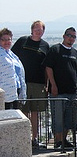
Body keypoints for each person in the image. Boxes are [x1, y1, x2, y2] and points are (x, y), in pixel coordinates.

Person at [11, 20, 49, 148]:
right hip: (23, 82)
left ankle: (35, 138)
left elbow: (47, 67)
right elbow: (12, 58)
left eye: (41, 29)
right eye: (36, 29)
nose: (38, 31)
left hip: (38, 83)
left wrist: (47, 84)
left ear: (43, 31)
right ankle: (25, 138)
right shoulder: (22, 41)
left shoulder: (45, 46)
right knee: (23, 111)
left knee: (35, 112)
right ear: (32, 30)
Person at [43, 27, 77, 149]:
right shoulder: (55, 49)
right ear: (64, 36)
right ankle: (58, 141)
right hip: (57, 92)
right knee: (57, 118)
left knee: (69, 119)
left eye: (73, 36)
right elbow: (48, 68)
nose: (71, 38)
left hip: (71, 92)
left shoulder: (75, 53)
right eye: (69, 35)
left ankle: (63, 141)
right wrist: (53, 85)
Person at [0, 28, 26, 110]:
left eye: (9, 39)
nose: (6, 42)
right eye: (3, 40)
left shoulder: (12, 55)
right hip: (3, 92)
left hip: (15, 91)